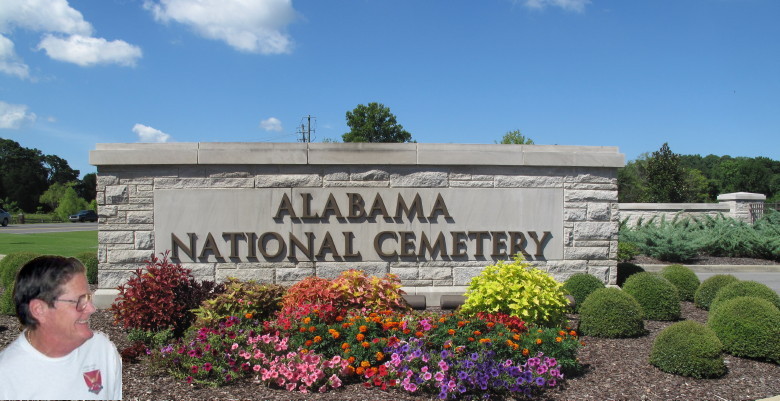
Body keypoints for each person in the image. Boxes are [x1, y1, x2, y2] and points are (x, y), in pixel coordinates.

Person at [0, 256, 122, 400]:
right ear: (39, 310)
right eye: (78, 301)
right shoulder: (7, 376)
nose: (91, 308)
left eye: (88, 298)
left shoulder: (103, 352)